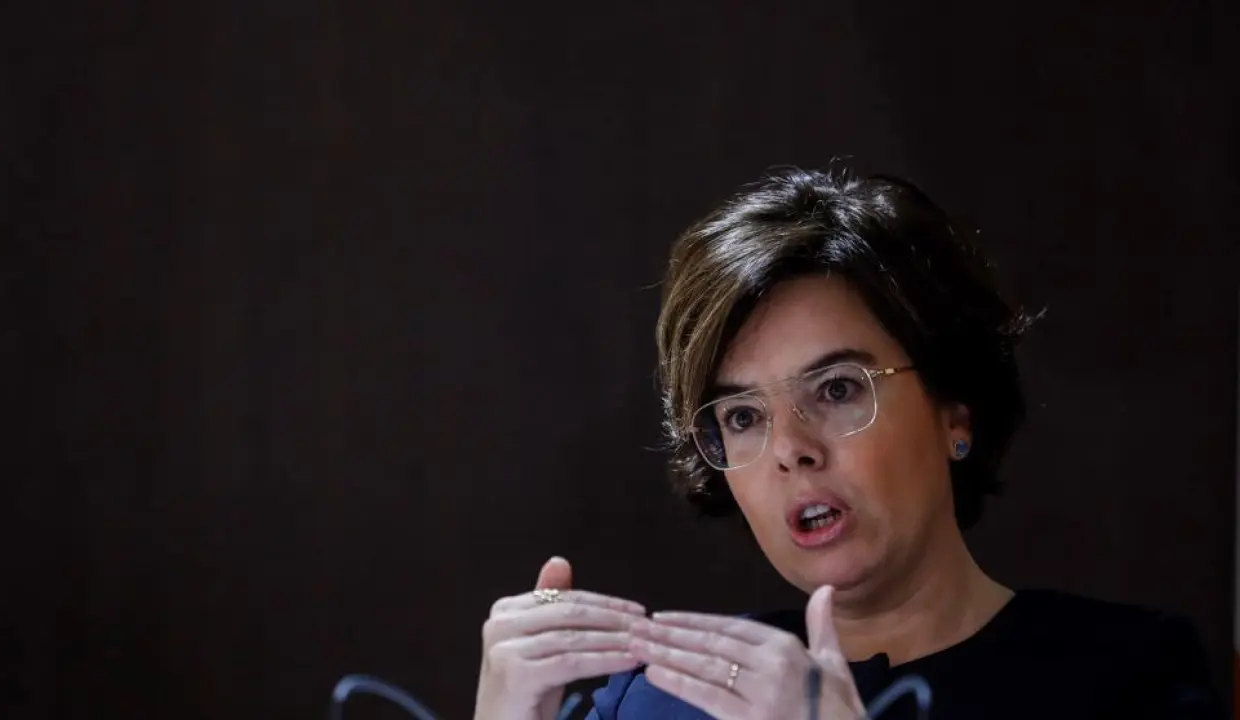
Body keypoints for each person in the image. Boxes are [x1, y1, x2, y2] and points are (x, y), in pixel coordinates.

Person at [471, 166, 1223, 719]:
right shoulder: (656, 700)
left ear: (955, 413)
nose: (790, 449)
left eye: (836, 390)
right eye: (743, 417)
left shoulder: (1130, 678)